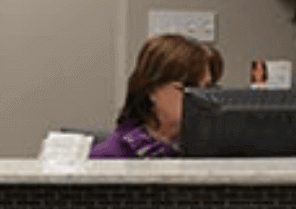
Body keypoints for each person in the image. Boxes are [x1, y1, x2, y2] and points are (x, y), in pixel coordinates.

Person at [89, 34, 220, 159]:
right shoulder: (106, 157)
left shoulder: (216, 149)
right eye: (188, 86)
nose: (202, 97)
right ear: (151, 89)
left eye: (207, 88)